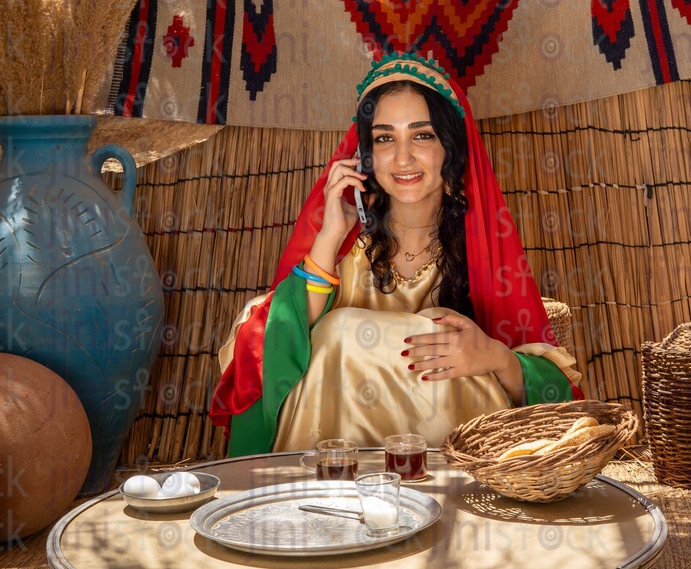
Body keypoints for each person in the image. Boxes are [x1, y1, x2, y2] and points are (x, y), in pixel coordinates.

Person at [210, 53, 582, 455]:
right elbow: (275, 344)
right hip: (338, 464)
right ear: (366, 153)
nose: (403, 158)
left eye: (422, 135)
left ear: (449, 145)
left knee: (411, 331)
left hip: (453, 463)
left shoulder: (479, 248)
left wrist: (494, 356)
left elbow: (556, 397)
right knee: (331, 332)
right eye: (385, 138)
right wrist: (332, 233)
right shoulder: (347, 247)